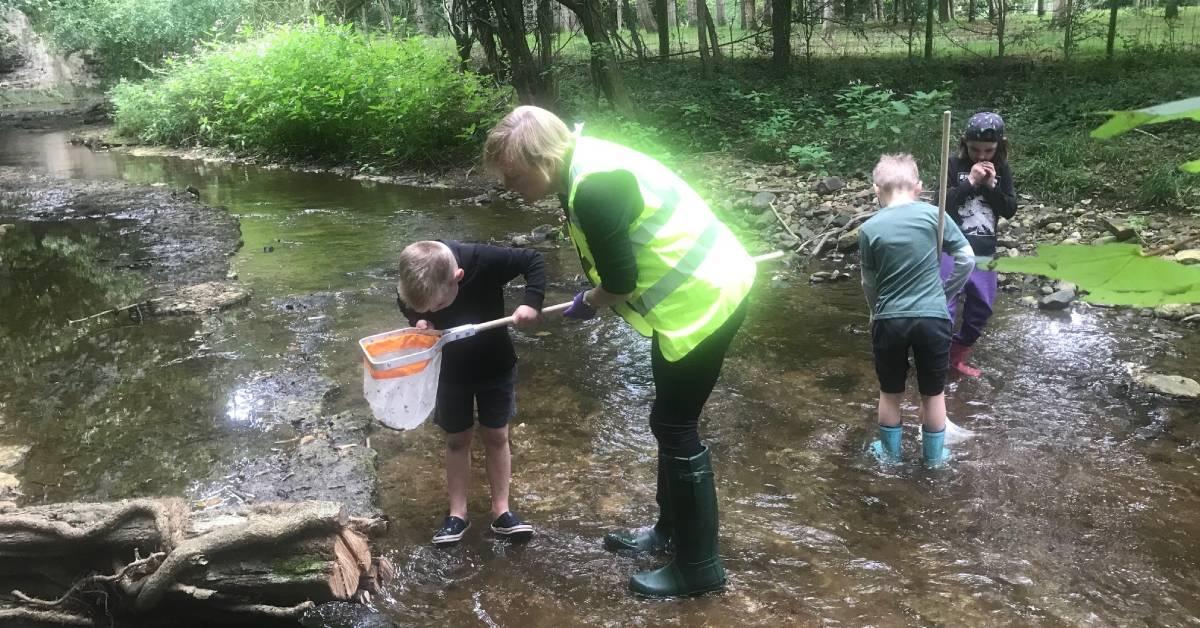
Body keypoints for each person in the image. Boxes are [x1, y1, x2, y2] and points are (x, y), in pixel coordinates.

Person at [482, 105, 755, 598]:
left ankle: (699, 566)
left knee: (675, 426)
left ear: (543, 160)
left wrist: (589, 301)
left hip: (706, 299)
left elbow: (622, 282)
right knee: (666, 421)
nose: (512, 189)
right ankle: (668, 532)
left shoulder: (595, 187)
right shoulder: (582, 162)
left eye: (517, 178)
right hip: (699, 293)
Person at [395, 240, 545, 547]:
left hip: (496, 365)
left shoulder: (486, 260)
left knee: (496, 435)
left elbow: (533, 260)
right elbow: (405, 301)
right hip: (449, 372)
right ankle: (457, 514)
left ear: (458, 278)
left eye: (435, 306)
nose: (431, 310)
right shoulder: (418, 273)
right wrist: (418, 319)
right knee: (456, 440)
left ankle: (501, 511)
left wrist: (532, 302)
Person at [859, 154, 975, 467]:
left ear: (876, 191)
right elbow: (967, 259)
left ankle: (890, 458)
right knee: (933, 394)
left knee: (890, 392)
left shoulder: (869, 228)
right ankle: (934, 461)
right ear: (919, 188)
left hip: (889, 318)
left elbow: (868, 283)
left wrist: (875, 311)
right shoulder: (933, 217)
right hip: (933, 318)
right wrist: (945, 292)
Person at [940, 112, 1017, 377]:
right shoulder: (953, 165)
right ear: (965, 143)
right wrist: (971, 182)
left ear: (999, 147)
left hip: (984, 252)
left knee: (981, 309)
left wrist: (990, 187)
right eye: (974, 149)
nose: (981, 156)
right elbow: (941, 207)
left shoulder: (1002, 169)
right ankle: (935, 357)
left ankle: (956, 356)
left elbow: (1009, 210)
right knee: (944, 305)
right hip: (950, 247)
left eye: (988, 150)